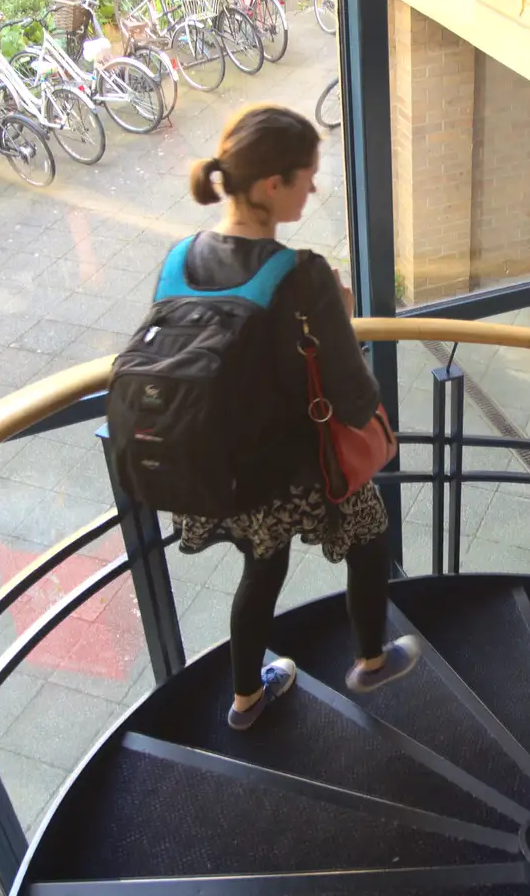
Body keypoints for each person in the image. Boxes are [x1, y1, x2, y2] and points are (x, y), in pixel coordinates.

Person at [168, 104, 419, 731]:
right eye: (308, 174)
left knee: (264, 563)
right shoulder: (302, 276)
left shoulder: (180, 259)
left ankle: (247, 699)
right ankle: (369, 660)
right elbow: (352, 394)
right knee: (369, 534)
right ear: (272, 185)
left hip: (218, 471)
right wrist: (343, 314)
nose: (315, 186)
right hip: (295, 467)